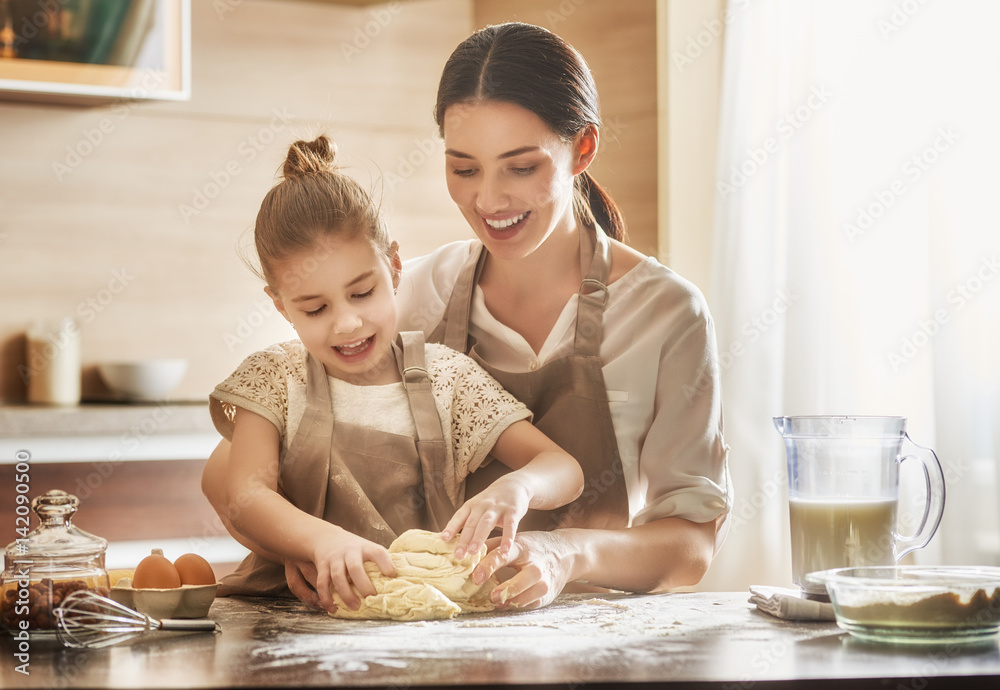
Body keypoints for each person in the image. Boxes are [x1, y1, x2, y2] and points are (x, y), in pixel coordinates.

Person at [206, 21, 732, 612]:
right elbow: (235, 474)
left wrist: (564, 555)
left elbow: (690, 547)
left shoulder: (666, 313)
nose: (489, 200)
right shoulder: (412, 294)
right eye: (464, 169)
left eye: (522, 167)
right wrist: (298, 548)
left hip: (587, 635)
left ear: (582, 148)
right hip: (430, 632)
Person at [203, 134, 585, 613]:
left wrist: (518, 487)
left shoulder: (449, 378)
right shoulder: (275, 379)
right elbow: (246, 493)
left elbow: (563, 468)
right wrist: (316, 544)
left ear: (395, 267)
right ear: (280, 306)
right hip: (289, 613)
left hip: (425, 615)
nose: (347, 323)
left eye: (362, 293)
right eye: (315, 308)